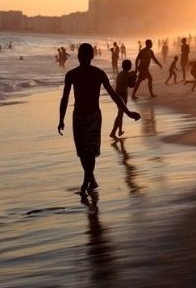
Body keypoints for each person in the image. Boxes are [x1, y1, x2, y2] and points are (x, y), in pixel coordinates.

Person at [58, 44, 140, 196]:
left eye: (83, 54)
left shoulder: (97, 74)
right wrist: (61, 119)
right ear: (91, 56)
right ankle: (91, 178)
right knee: (82, 152)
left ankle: (85, 181)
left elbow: (114, 95)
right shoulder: (72, 75)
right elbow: (64, 99)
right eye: (82, 54)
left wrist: (128, 112)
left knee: (90, 151)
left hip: (93, 116)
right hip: (78, 116)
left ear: (86, 56)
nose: (82, 57)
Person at [110, 59, 137, 139]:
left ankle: (119, 130)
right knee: (120, 114)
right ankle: (113, 132)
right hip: (123, 95)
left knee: (120, 113)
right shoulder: (128, 74)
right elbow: (132, 85)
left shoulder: (120, 74)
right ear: (129, 67)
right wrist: (135, 77)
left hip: (117, 94)